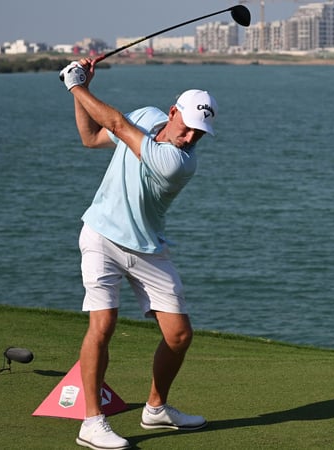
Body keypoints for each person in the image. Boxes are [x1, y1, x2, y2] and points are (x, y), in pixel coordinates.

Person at [59, 59, 216, 450]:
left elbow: (116, 125)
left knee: (179, 336)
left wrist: (76, 86)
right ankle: (92, 422)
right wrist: (82, 91)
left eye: (200, 134)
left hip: (146, 247)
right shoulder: (147, 115)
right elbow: (92, 137)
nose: (192, 137)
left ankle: (156, 408)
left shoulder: (179, 162)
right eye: (188, 128)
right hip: (101, 237)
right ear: (173, 111)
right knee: (103, 325)